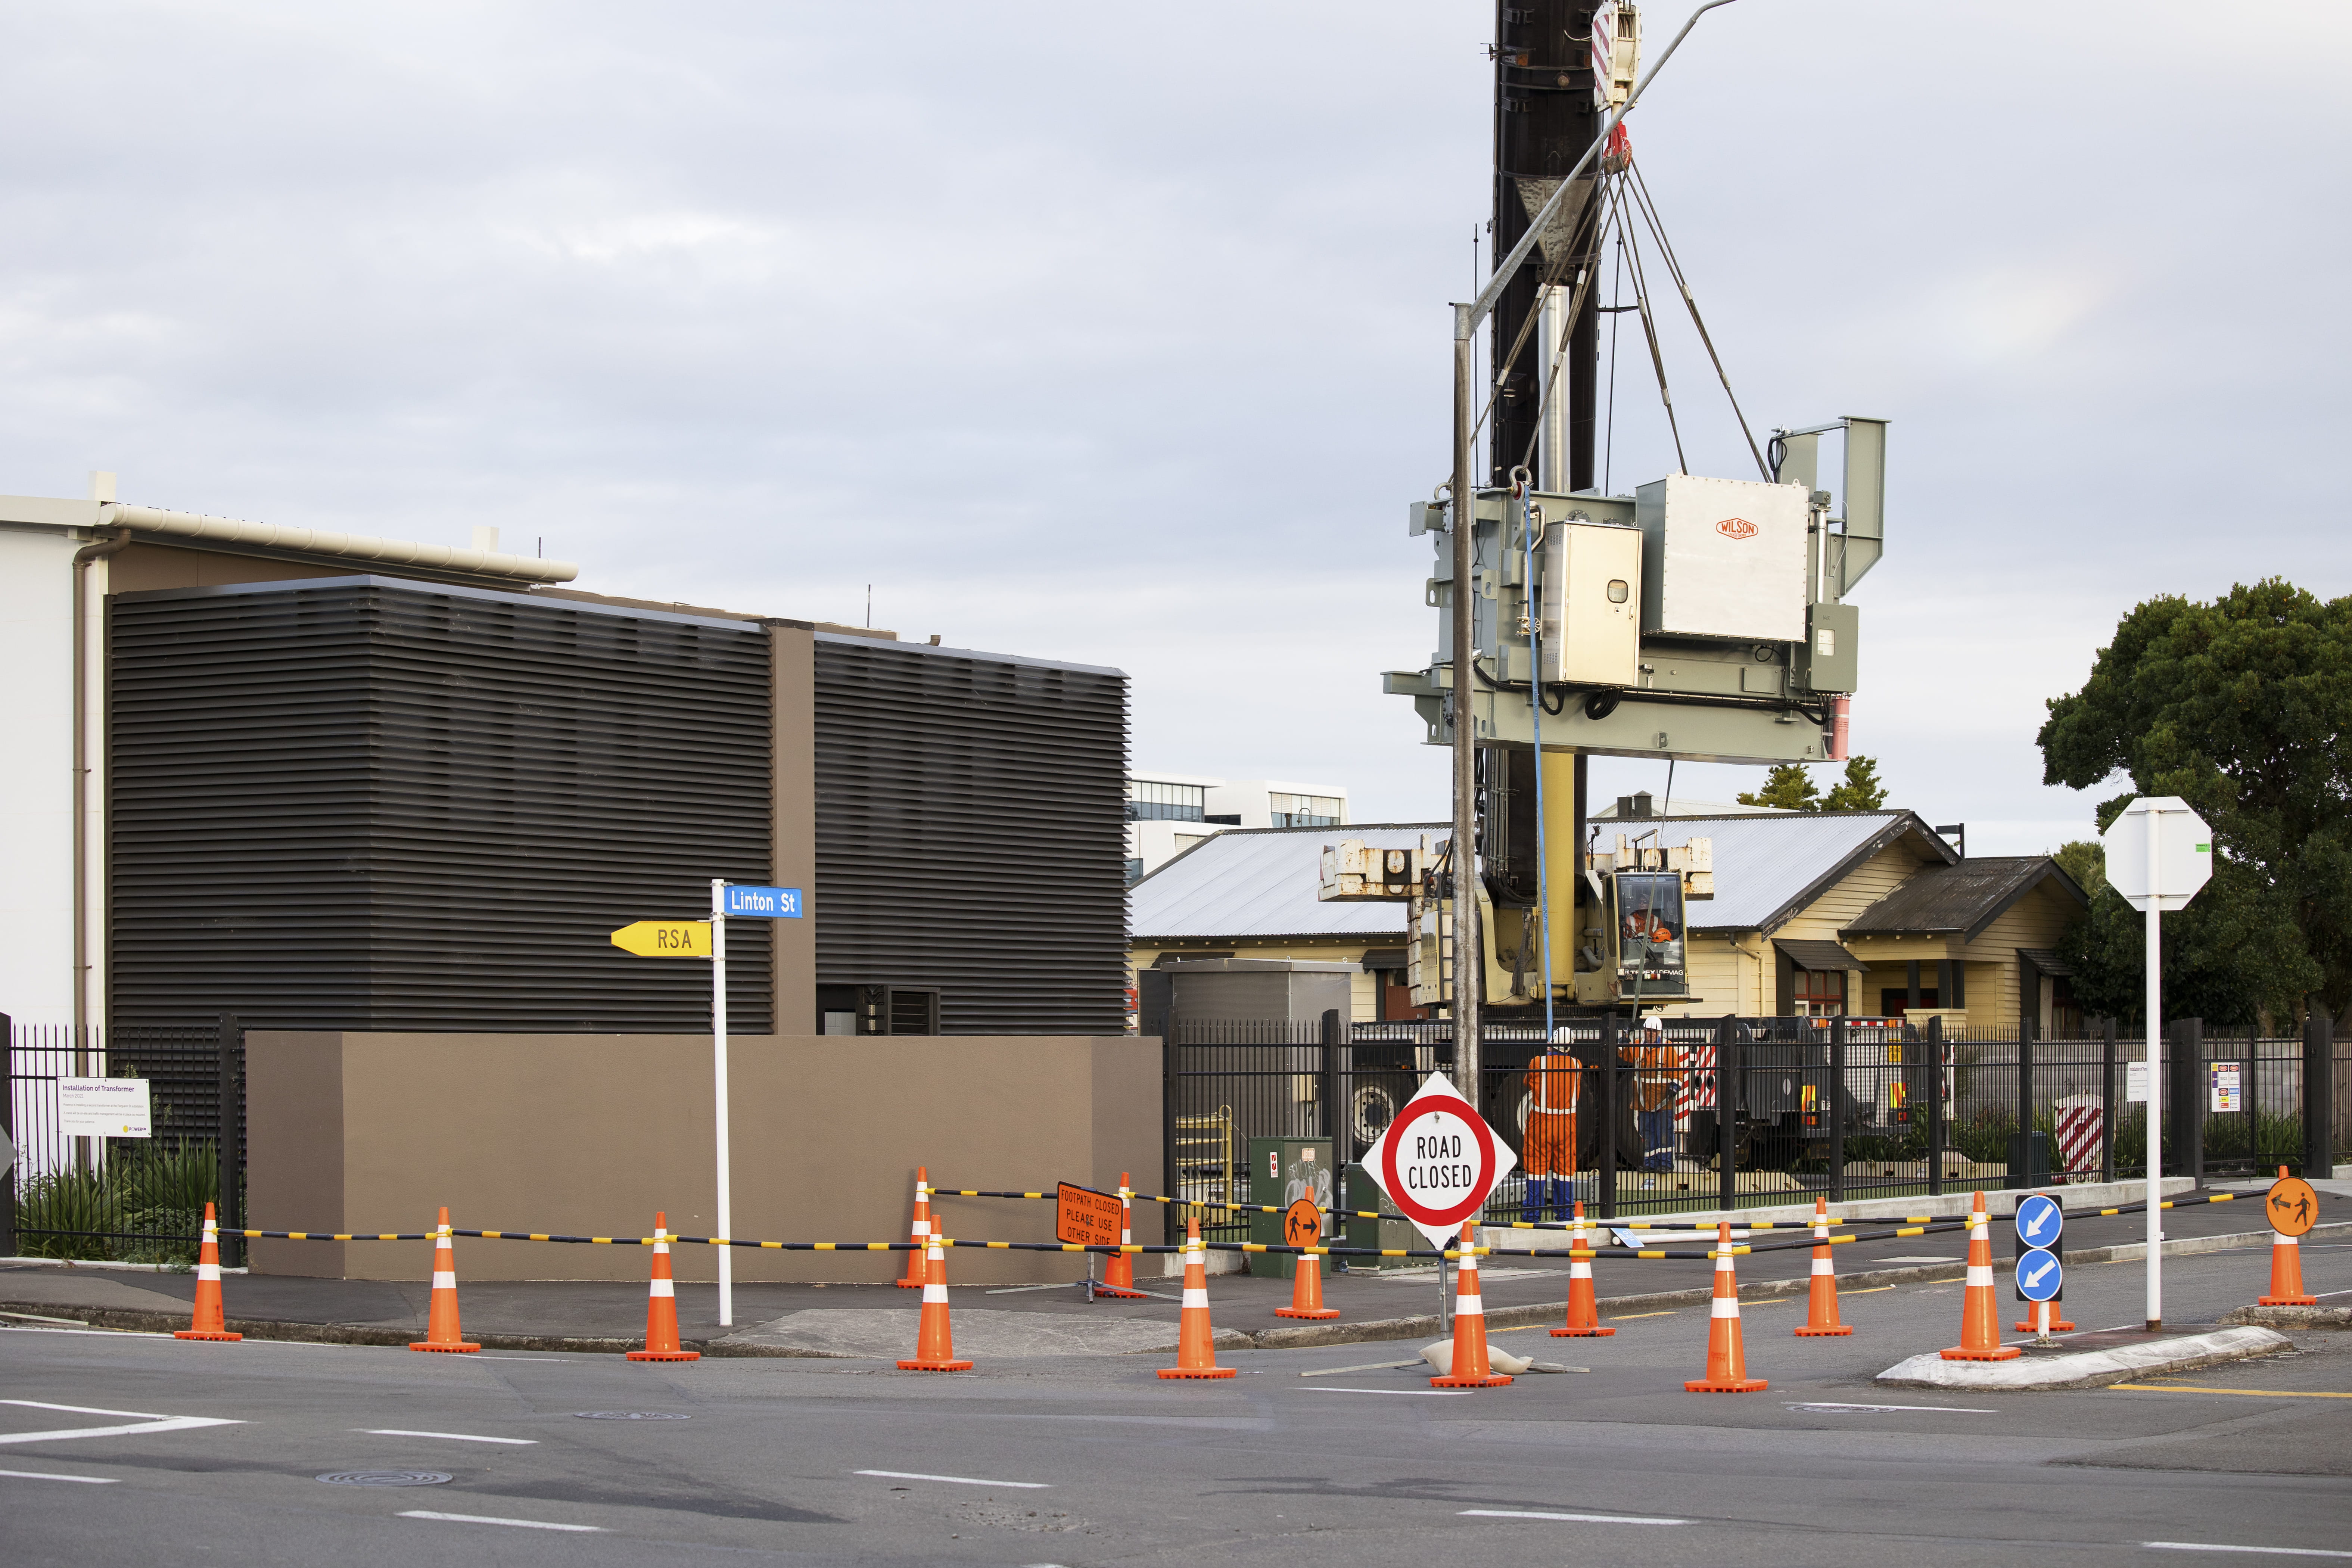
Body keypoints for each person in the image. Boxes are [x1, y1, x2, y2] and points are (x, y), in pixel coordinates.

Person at [1521, 1044, 1583, 1222]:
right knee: (1564, 1170)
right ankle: (1565, 1215)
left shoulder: (1538, 1063)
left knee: (1536, 1169)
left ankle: (1532, 1216)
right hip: (1567, 1124)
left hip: (1541, 1124)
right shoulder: (1576, 1064)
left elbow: (1527, 1083)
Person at [1626, 1015, 1681, 1175]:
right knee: (1647, 1134)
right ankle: (1649, 1163)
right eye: (1649, 1031)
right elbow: (1622, 1052)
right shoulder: (1638, 1046)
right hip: (1645, 1101)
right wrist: (1626, 1036)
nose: (1651, 1034)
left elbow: (1677, 1073)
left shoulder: (1667, 1048)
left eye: (1654, 1031)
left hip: (1664, 1100)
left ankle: (1666, 1164)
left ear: (1659, 1033)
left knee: (1664, 1133)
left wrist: (1674, 1087)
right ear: (1645, 1031)